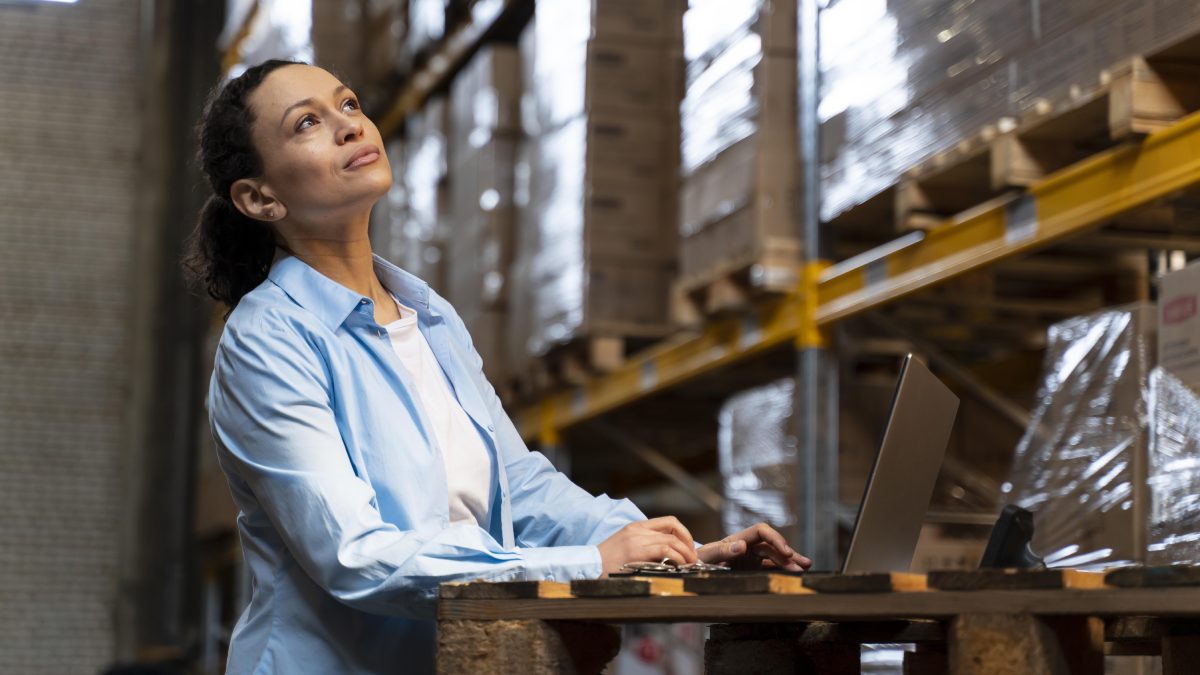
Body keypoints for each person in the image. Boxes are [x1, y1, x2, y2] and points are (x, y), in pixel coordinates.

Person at [181, 59, 811, 675]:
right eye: (306, 124)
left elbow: (521, 487)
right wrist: (587, 565)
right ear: (259, 198)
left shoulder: (429, 317)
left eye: (348, 105)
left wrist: (675, 552)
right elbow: (356, 557)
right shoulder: (268, 338)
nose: (350, 126)